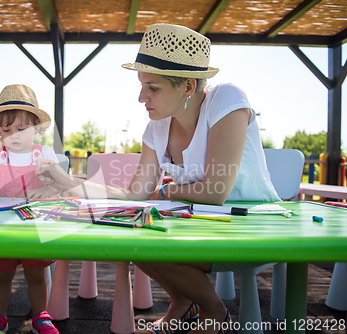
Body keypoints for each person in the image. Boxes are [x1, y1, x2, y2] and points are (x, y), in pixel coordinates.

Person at [34, 24, 280, 334]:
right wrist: (68, 182)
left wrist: (164, 193)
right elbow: (135, 194)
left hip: (255, 225)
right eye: (141, 85)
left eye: (153, 87)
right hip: (201, 224)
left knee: (145, 228)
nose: (141, 97)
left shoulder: (226, 100)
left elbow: (215, 192)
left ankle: (214, 312)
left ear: (188, 86)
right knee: (131, 232)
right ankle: (183, 302)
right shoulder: (156, 127)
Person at [0, 84, 60, 334]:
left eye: (21, 128)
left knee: (36, 274)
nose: (14, 135)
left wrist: (47, 192)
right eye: (7, 129)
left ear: (36, 128)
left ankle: (41, 316)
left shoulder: (45, 153)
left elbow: (59, 187)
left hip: (34, 225)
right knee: (2, 275)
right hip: (2, 226)